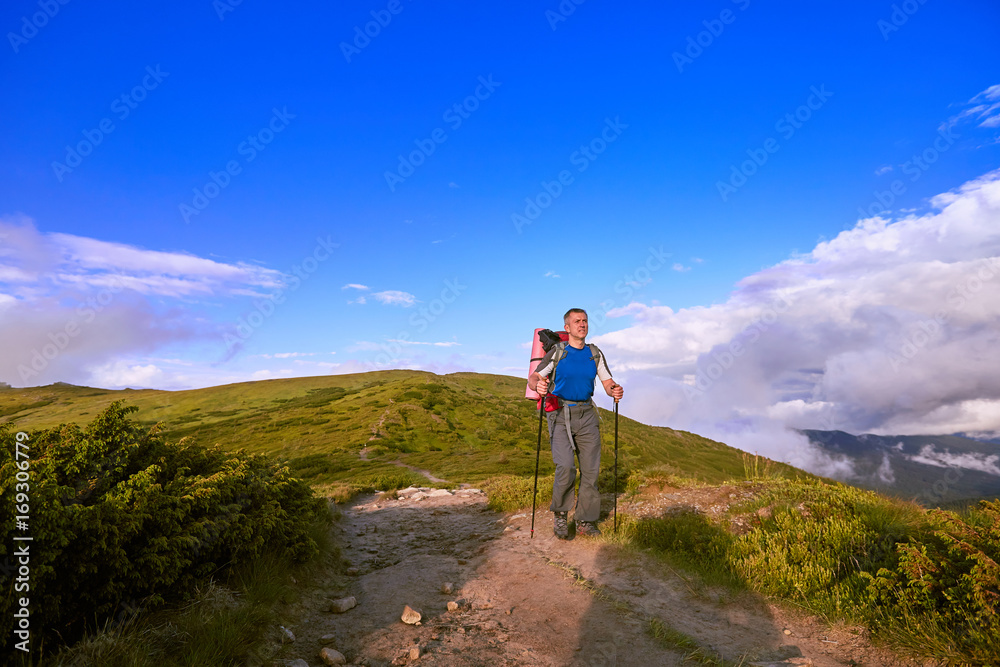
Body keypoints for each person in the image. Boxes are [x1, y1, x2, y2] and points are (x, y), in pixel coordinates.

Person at [527, 308, 624, 539]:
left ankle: (584, 521)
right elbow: (535, 377)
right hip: (560, 414)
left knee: (590, 470)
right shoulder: (558, 352)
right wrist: (537, 385)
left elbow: (607, 381)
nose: (582, 324)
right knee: (566, 467)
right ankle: (561, 515)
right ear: (567, 328)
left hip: (587, 415)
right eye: (576, 321)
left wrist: (614, 390)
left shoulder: (595, 353)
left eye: (585, 321)